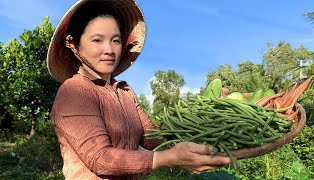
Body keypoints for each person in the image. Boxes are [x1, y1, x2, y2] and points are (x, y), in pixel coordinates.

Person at [46, 0, 231, 179]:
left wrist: (206, 111)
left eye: (116, 40)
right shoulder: (74, 92)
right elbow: (100, 159)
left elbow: (153, 139)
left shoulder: (125, 92)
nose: (109, 49)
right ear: (74, 45)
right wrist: (166, 159)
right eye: (97, 40)